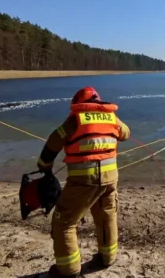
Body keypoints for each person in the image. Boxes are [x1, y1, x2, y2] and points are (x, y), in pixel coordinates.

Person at [36, 86, 130, 278]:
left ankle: (68, 270)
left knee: (64, 223)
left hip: (83, 180)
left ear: (79, 103)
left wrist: (44, 167)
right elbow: (126, 134)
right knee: (106, 216)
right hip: (110, 179)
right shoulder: (111, 116)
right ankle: (107, 258)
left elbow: (53, 142)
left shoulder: (75, 119)